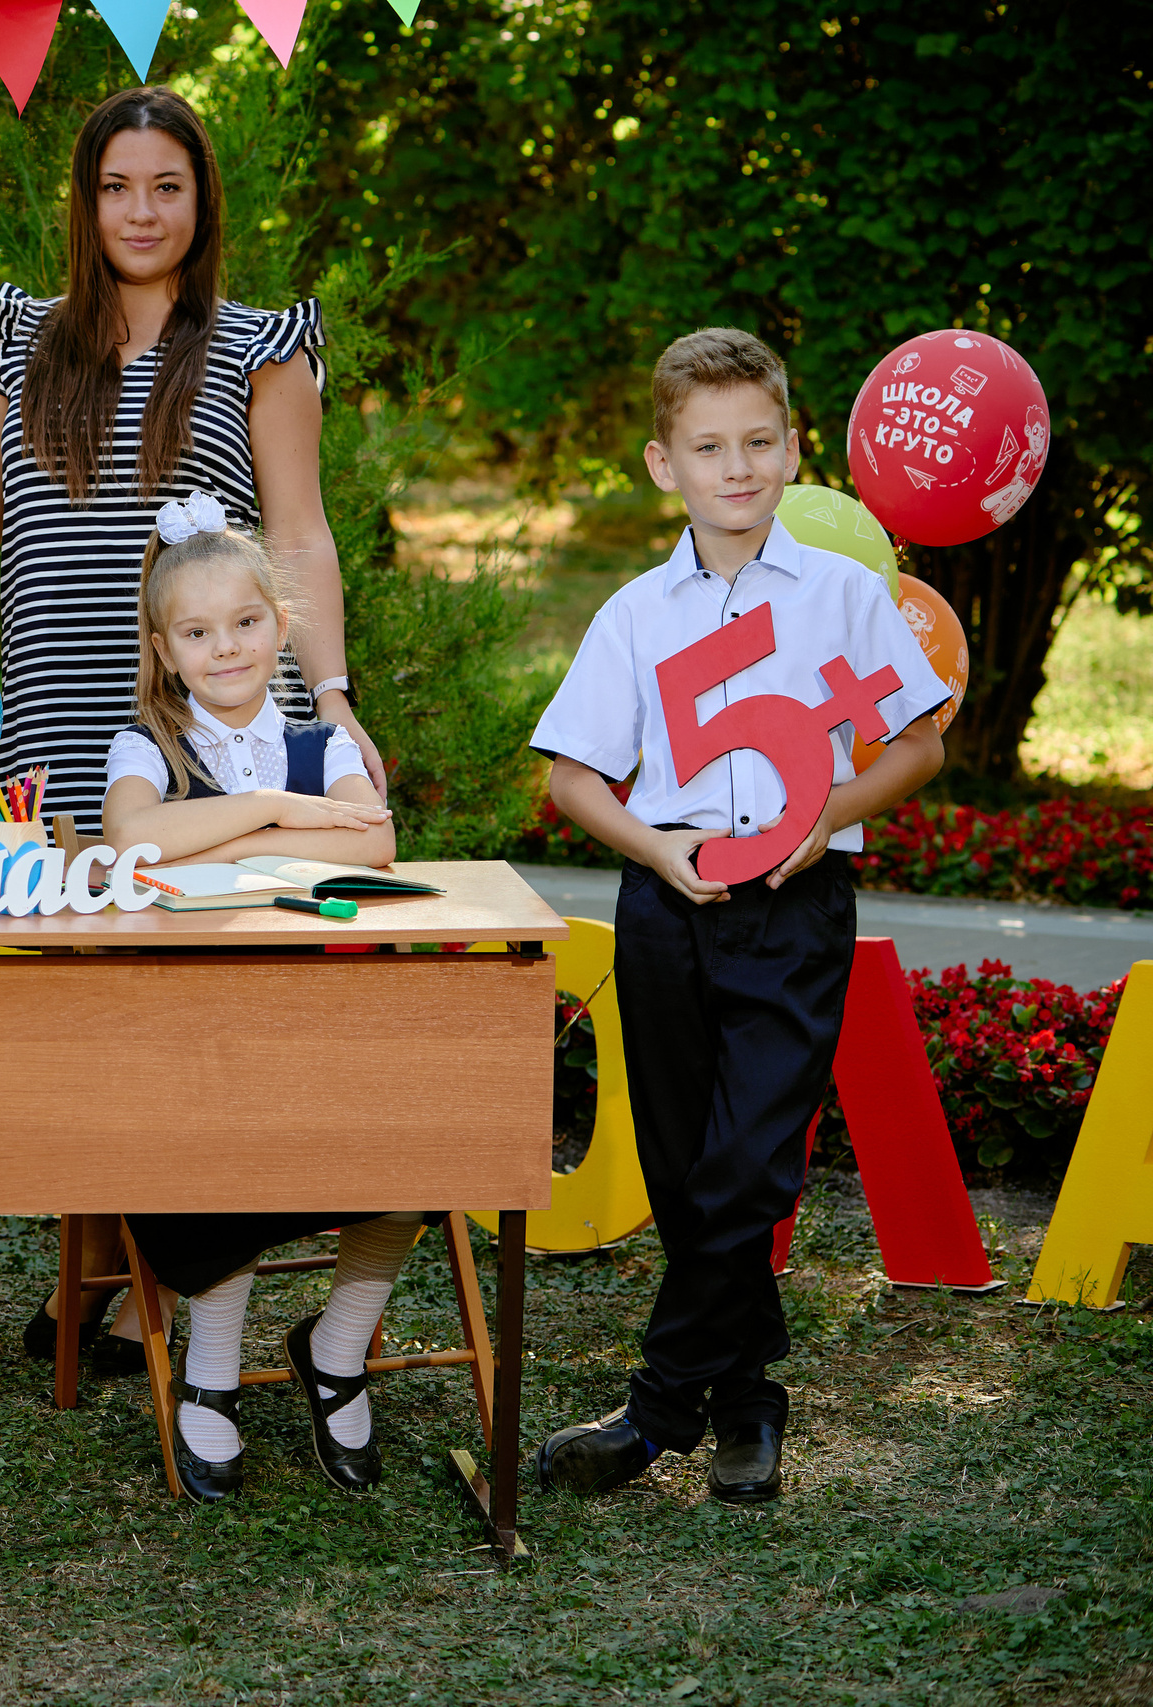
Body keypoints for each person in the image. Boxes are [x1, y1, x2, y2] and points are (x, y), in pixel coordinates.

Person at [0, 83, 385, 1368]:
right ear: (86, 199)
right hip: (50, 715)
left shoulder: (259, 346)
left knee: (186, 995)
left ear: (201, 198)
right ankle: (114, 1273)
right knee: (82, 1002)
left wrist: (328, 695)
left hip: (198, 722)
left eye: (167, 185)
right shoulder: (25, 337)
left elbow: (298, 534)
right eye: (118, 186)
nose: (142, 210)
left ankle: (139, 1284)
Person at [529, 328, 949, 1506]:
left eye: (758, 443)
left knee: (749, 1165)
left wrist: (830, 816)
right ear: (664, 465)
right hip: (668, 905)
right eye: (708, 447)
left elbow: (917, 743)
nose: (736, 467)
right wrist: (655, 849)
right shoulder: (633, 614)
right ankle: (747, 1399)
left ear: (792, 450)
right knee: (684, 1168)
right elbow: (571, 778)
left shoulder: (839, 596)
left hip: (794, 905)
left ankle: (653, 1411)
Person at [98, 498, 426, 1500]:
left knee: (426, 1131)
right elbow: (128, 843)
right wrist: (284, 813)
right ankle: (211, 1370)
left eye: (245, 624)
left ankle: (334, 1347)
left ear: (278, 627)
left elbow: (372, 843)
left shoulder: (317, 741)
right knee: (206, 1139)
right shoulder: (145, 742)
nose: (225, 648)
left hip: (316, 1021)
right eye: (197, 633)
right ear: (164, 648)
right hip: (193, 1034)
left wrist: (225, 841)